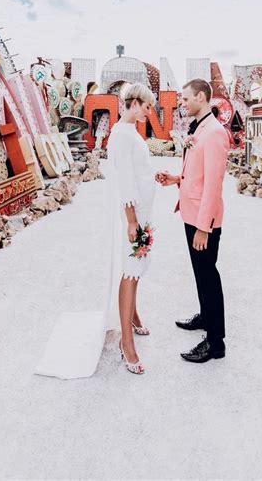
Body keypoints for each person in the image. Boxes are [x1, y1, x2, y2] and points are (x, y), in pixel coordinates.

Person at [156, 79, 229, 363]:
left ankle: (216, 343)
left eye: (186, 99)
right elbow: (198, 174)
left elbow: (214, 184)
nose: (182, 103)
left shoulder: (214, 133)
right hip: (191, 212)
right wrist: (176, 179)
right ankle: (205, 316)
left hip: (203, 220)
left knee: (208, 276)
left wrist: (203, 227)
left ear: (201, 97)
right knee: (200, 272)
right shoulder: (198, 128)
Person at [106, 83, 156, 375]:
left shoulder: (128, 132)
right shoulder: (122, 136)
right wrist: (132, 221)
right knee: (129, 270)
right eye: (148, 106)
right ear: (135, 103)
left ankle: (133, 316)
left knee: (137, 268)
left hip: (142, 213)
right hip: (134, 216)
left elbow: (138, 173)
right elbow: (125, 181)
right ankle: (126, 343)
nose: (150, 113)